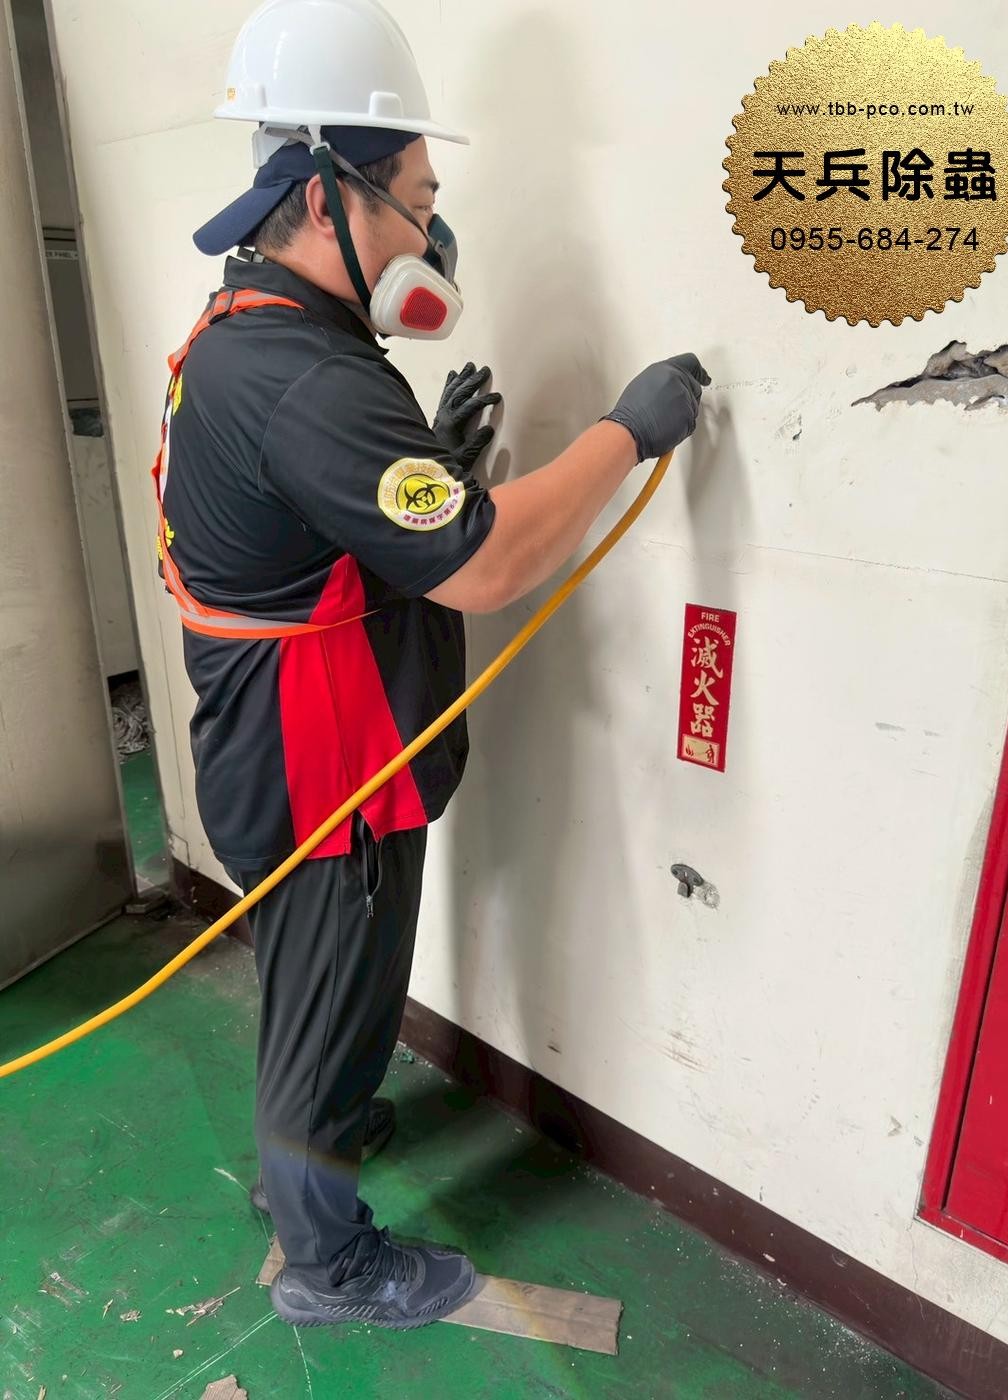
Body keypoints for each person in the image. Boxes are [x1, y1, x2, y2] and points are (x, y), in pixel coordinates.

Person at [156, 0, 709, 1331]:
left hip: (283, 743)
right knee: (330, 993)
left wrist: (431, 467)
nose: (429, 238)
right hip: (324, 764)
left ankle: (322, 1131)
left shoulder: (253, 333)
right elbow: (483, 565)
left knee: (322, 982)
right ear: (321, 194)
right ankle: (328, 1264)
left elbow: (317, 524)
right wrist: (625, 435)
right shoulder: (310, 381)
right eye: (416, 200)